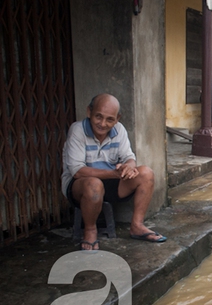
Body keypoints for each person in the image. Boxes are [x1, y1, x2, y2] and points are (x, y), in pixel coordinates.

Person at [61, 93, 167, 250]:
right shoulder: (77, 130)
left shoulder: (119, 130)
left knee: (146, 173)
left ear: (117, 118)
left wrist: (129, 166)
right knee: (94, 184)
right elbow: (77, 171)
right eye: (98, 117)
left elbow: (129, 157)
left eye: (110, 119)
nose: (103, 123)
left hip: (110, 183)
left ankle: (137, 226)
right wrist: (114, 174)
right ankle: (90, 230)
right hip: (80, 186)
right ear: (89, 112)